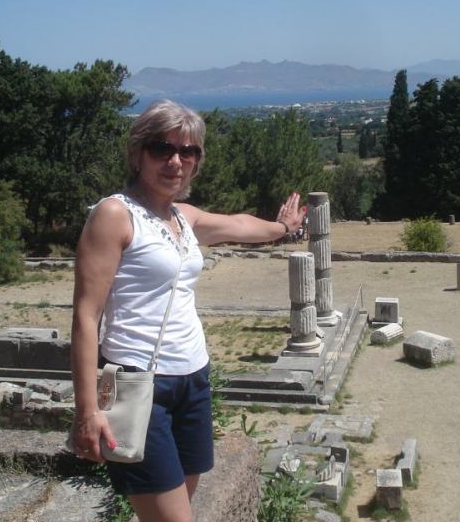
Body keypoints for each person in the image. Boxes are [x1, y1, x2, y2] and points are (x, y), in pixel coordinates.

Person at [69, 100, 306, 522]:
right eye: (163, 148)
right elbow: (87, 316)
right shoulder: (115, 214)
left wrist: (283, 228)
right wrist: (88, 411)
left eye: (189, 151)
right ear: (138, 154)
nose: (176, 161)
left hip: (194, 379)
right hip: (140, 383)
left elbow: (239, 225)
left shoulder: (183, 217)